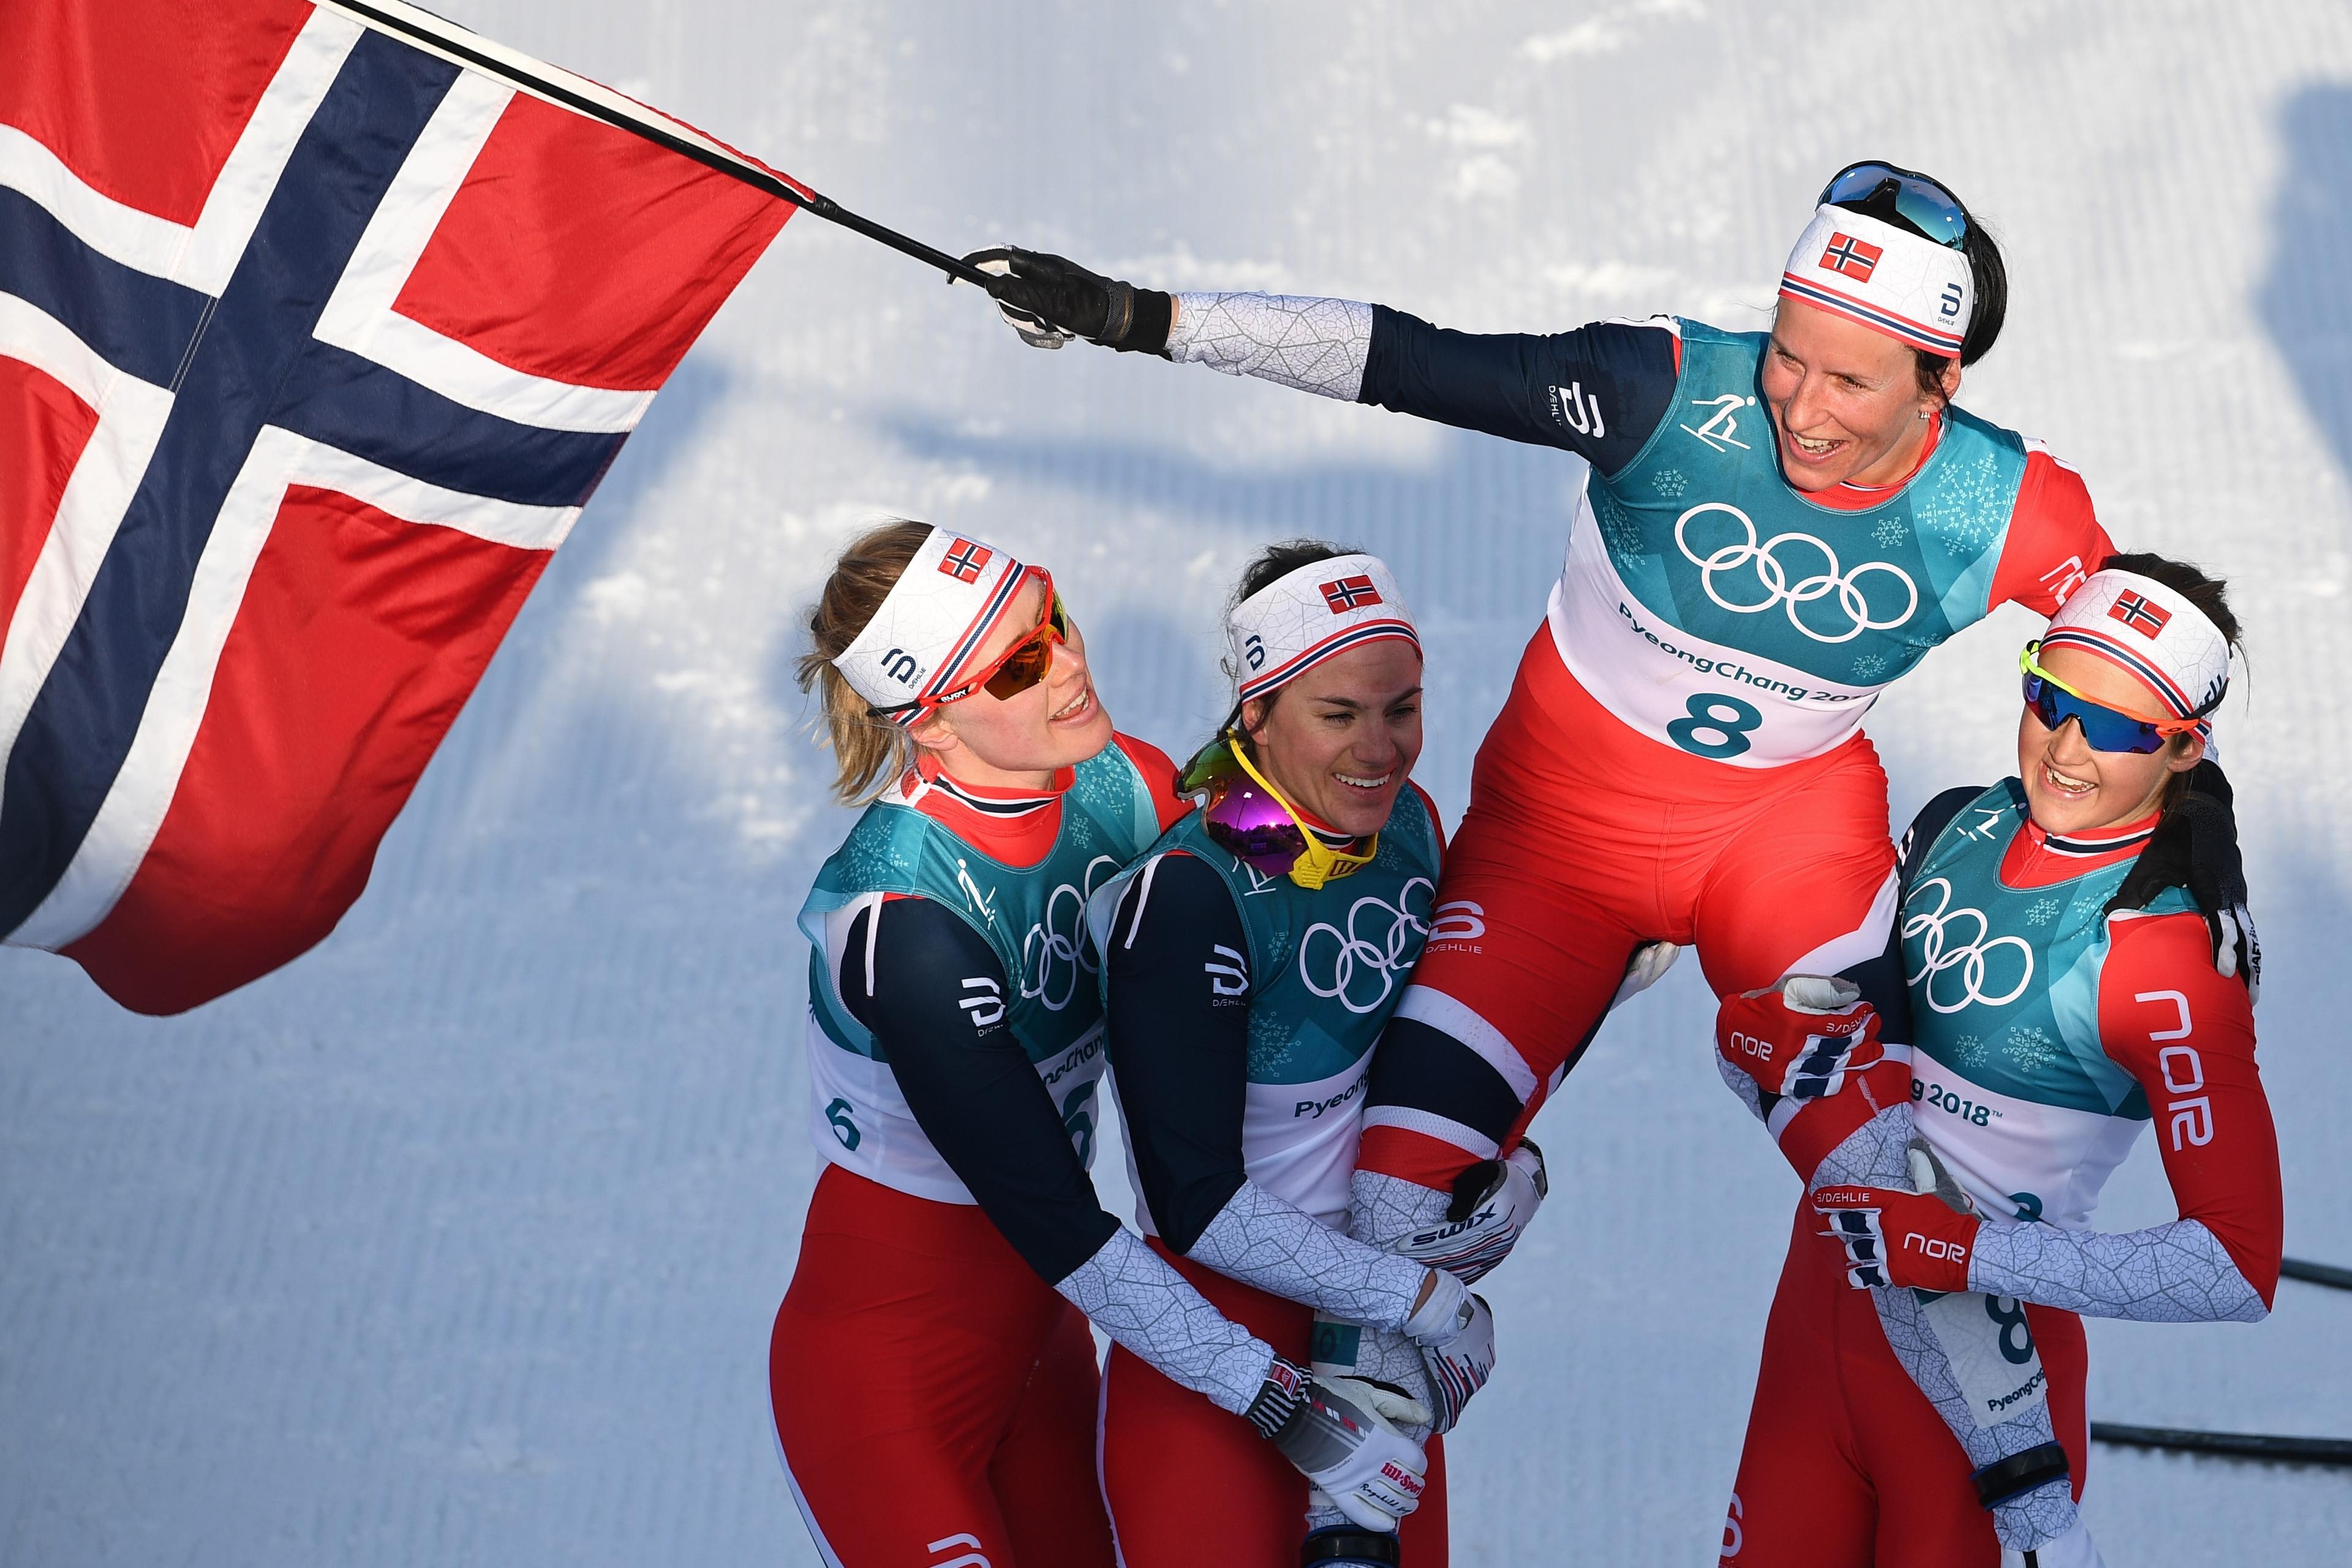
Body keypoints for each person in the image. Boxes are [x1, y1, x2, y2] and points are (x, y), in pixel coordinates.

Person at [963, 161, 2251, 1551]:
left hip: (1783, 842)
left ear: (1938, 380)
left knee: (1894, 1167)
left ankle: (2037, 1511)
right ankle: (1356, 1527)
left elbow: (2138, 685)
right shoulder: (1669, 390)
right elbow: (1411, 361)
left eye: (1853, 385)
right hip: (1558, 847)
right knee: (1397, 1188)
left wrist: (2187, 877)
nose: (1803, 411)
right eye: (1791, 358)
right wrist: (1140, 314)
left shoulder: (2017, 509)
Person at [771, 521, 1433, 1566]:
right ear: (932, 719)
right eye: (1023, 663)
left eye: (1057, 617)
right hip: (889, 1365)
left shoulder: (1126, 781)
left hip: (1048, 1339)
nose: (1071, 662)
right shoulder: (907, 925)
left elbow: (1304, 886)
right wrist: (1289, 1408)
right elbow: (1056, 1217)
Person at [1711, 556, 2281, 1568]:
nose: (2065, 747)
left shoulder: (2169, 959)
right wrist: (1765, 1034)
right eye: (2048, 698)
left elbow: (2233, 1267)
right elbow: (1846, 1059)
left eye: (2113, 728)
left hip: (1987, 1401)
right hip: (1816, 1334)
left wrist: (1963, 1252)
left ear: (2185, 746)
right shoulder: (1956, 822)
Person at [1085, 543, 1493, 1568]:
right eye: (1340, 714)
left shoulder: (1410, 828)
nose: (1382, 749)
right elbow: (1195, 1200)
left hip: (1372, 1350)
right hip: (1216, 1350)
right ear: (1257, 713)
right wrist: (1420, 1298)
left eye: (1402, 708)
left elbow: (1435, 1052)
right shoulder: (1190, 892)